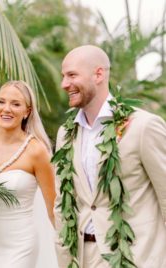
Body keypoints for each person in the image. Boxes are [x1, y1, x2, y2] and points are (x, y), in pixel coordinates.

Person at [54, 45, 166, 268]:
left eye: (72, 75)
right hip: (82, 259)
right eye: (63, 76)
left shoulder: (143, 126)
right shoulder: (65, 134)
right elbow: (62, 203)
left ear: (98, 74)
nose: (64, 84)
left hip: (136, 258)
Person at [0, 80, 58, 268]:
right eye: (1, 101)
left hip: (21, 247)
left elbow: (53, 208)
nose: (6, 109)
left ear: (27, 111)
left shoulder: (37, 151)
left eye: (15, 104)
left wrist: (70, 247)